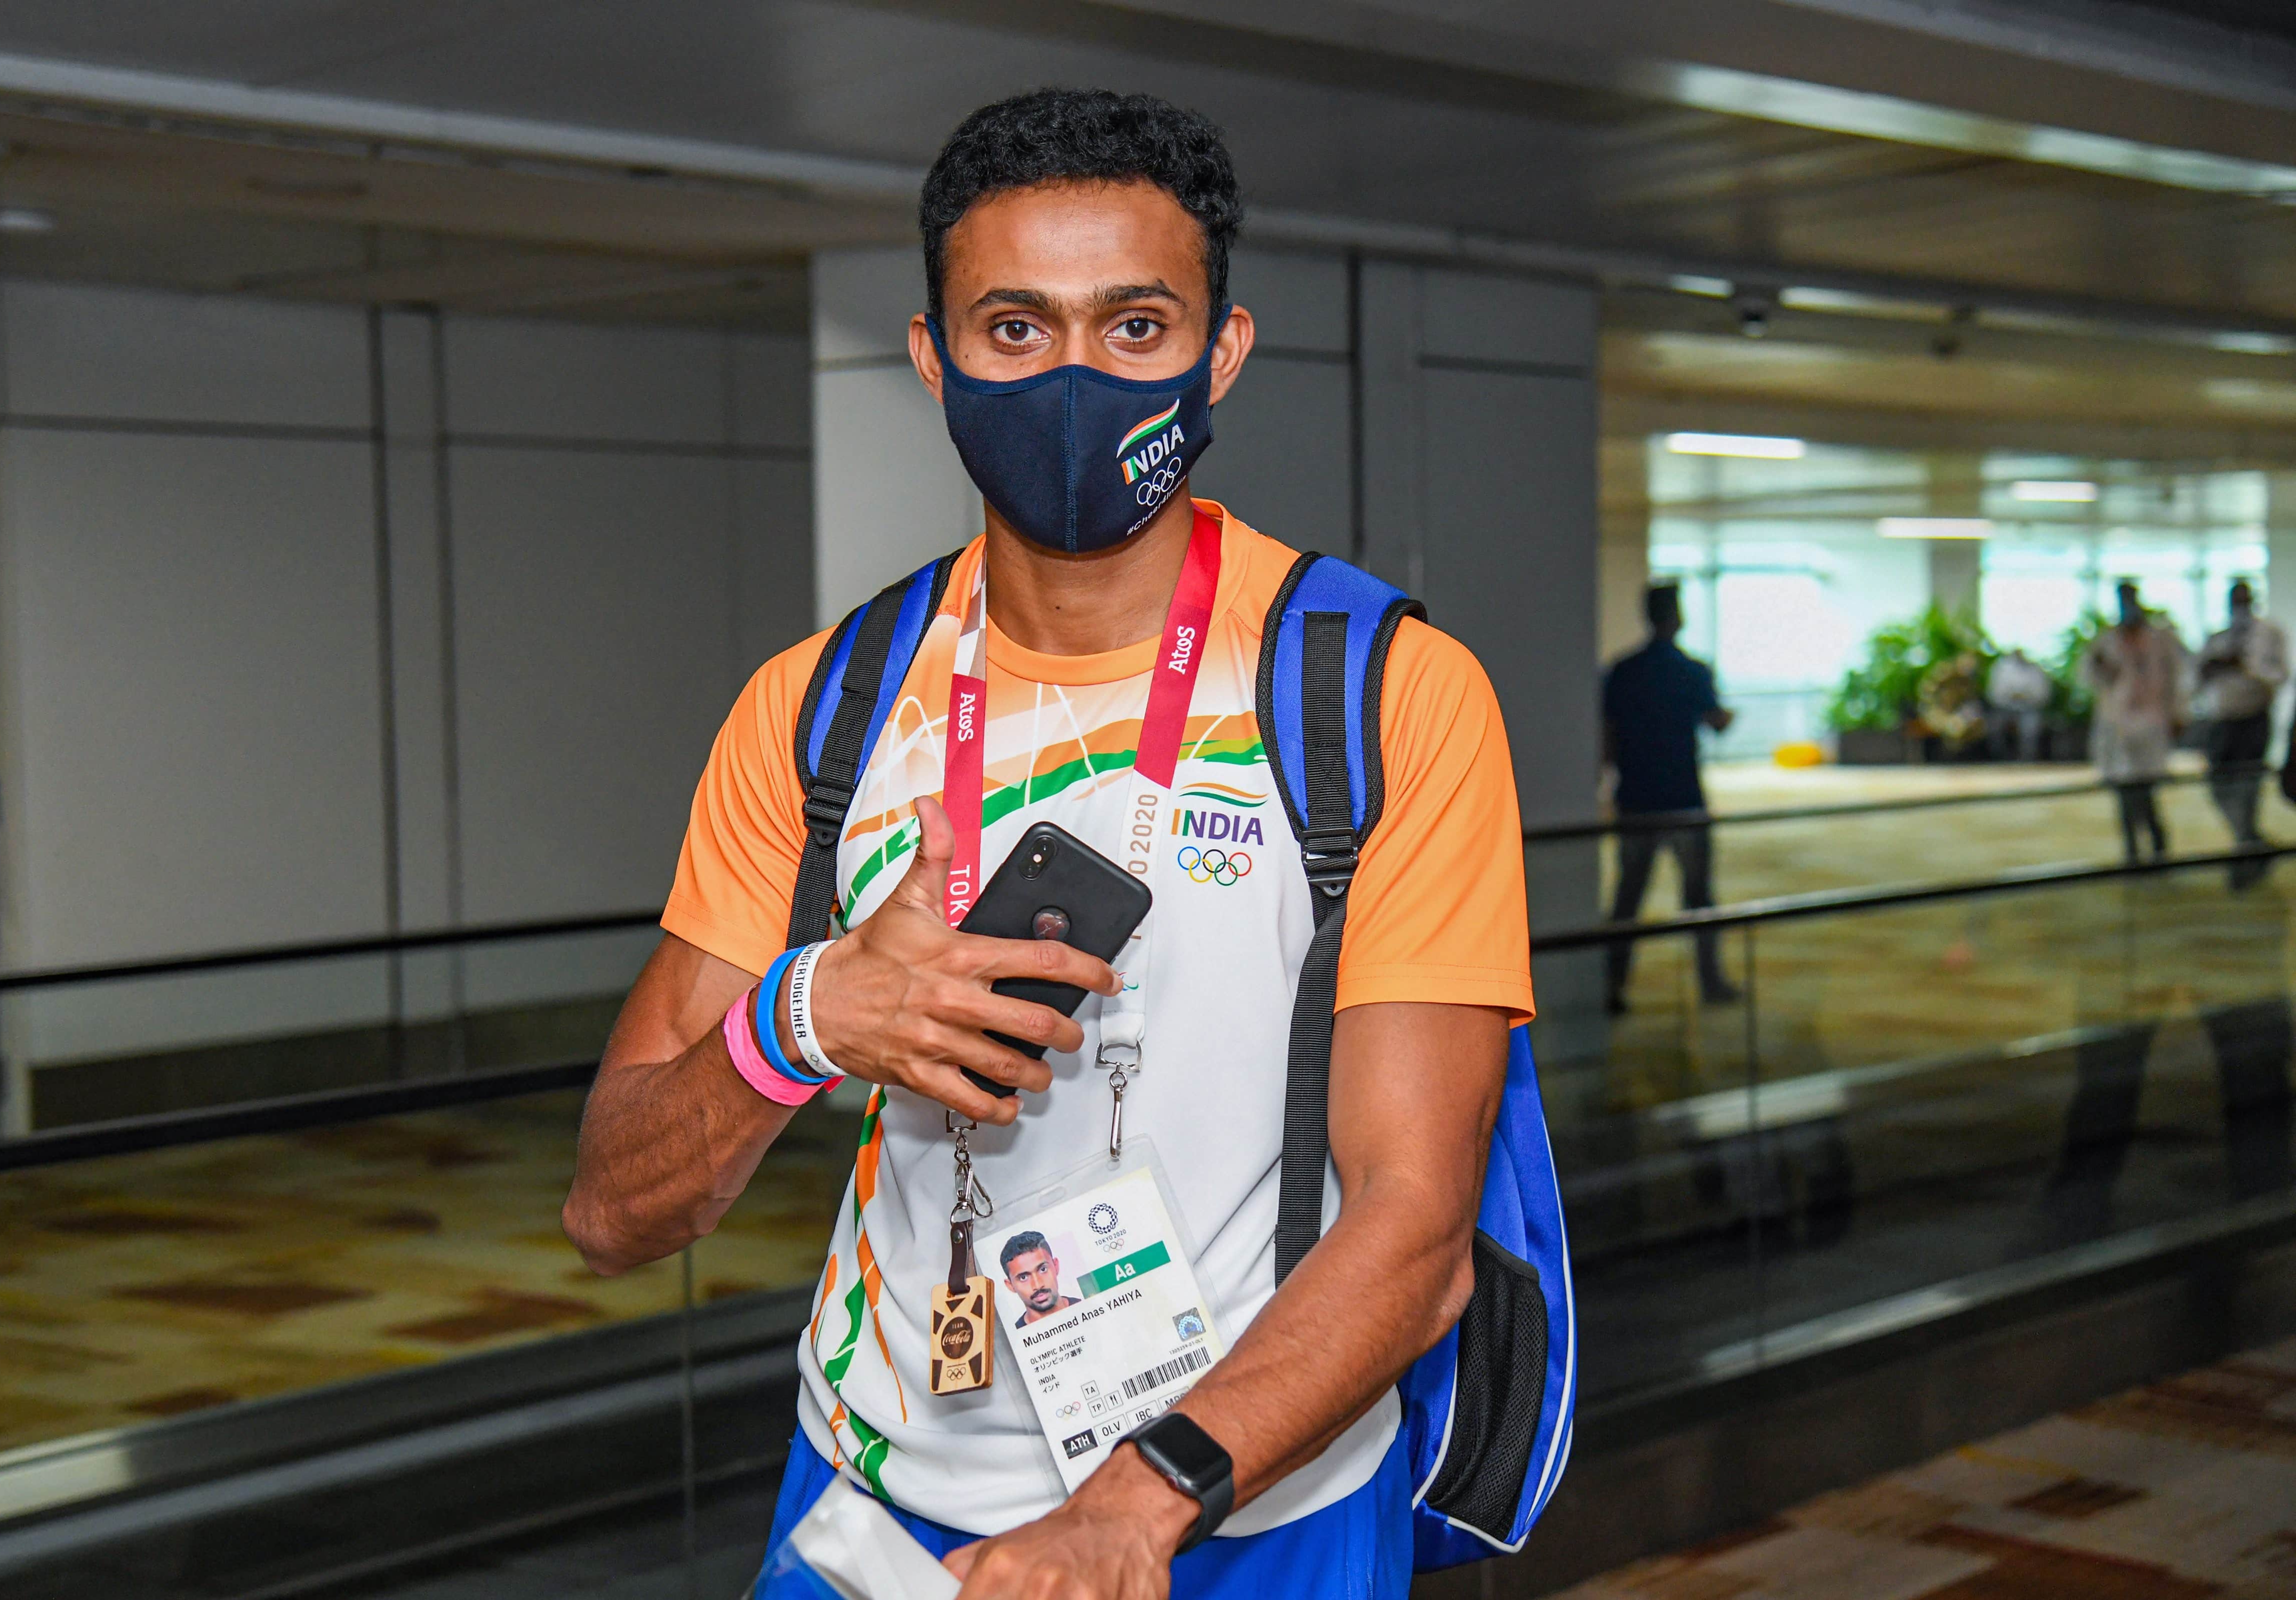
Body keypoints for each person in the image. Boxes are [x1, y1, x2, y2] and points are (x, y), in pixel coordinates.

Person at [562, 89, 1532, 1600]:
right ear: (932, 356)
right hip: (872, 1495)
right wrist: (803, 1014)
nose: (1073, 377)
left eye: (1133, 326)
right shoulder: (821, 705)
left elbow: (1418, 1225)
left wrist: (1135, 1506)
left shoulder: (1379, 691)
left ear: (1221, 351)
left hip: (1239, 1510)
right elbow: (615, 1209)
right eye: (1014, 329)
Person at [1602, 583, 1738, 1011]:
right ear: (1676, 618)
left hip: (1637, 797)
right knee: (1699, 898)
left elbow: (1608, 738)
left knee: (1628, 899)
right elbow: (1715, 722)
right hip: (1683, 797)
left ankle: (1614, 986)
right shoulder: (1693, 671)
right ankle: (1711, 983)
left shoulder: (1622, 671)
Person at [2082, 581, 2188, 864]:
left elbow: (2175, 680)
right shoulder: (2108, 641)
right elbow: (2094, 679)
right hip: (2118, 726)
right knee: (2124, 791)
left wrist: (2178, 715)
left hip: (2151, 724)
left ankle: (2157, 847)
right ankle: (2133, 851)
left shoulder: (2160, 640)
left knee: (2145, 790)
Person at [2195, 579, 2287, 889]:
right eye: (2235, 601)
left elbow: (2281, 675)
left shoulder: (2270, 635)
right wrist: (2217, 666)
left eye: (2245, 600)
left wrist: (2246, 667)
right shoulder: (2218, 638)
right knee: (2217, 785)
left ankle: (2246, 857)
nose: (2240, 607)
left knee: (2248, 788)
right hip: (2222, 720)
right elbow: (2197, 674)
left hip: (2253, 719)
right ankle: (2253, 843)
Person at [999, 1232, 1082, 1328]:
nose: (1038, 1285)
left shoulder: (1086, 1306)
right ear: (1011, 1286)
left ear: (1056, 1266)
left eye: (1043, 1270)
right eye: (1023, 1278)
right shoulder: (1015, 1338)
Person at [1987, 648, 2053, 762]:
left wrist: (2027, 696)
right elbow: (1994, 694)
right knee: (1995, 725)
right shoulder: (2001, 669)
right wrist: (2010, 695)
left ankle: (2027, 758)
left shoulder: (2036, 670)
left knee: (2030, 727)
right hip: (2005, 708)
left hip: (2029, 708)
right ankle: (1999, 758)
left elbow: (2043, 695)